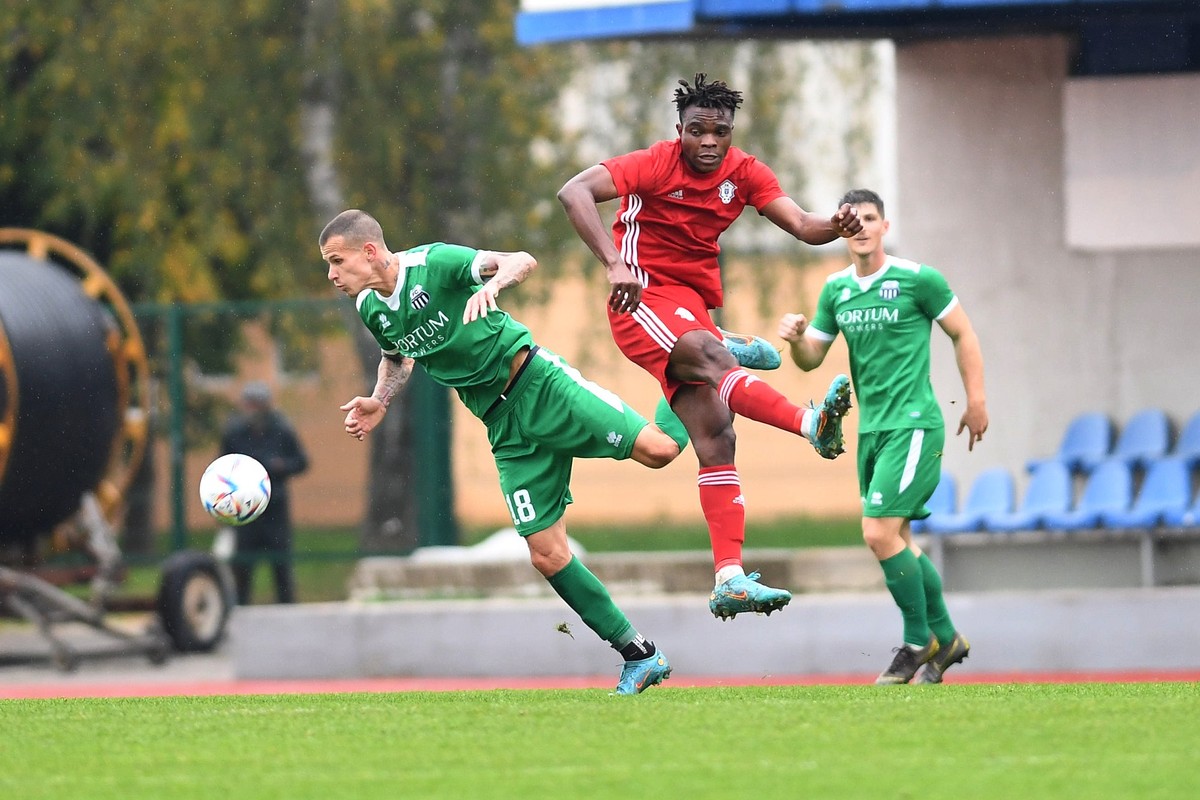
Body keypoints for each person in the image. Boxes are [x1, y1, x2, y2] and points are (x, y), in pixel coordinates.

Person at [319, 209, 684, 695]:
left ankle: (699, 357)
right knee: (547, 555)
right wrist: (379, 400)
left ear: (369, 251)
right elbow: (396, 357)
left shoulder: (436, 263)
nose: (332, 275)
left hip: (540, 385)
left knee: (659, 452)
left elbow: (520, 260)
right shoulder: (370, 306)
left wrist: (493, 285)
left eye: (337, 261)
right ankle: (640, 655)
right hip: (504, 427)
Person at [557, 72, 862, 621]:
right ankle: (808, 424)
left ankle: (729, 577)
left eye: (718, 131)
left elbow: (801, 225)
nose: (708, 142)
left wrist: (834, 226)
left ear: (730, 132)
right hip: (643, 300)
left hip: (690, 307)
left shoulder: (744, 173)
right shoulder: (652, 162)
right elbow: (573, 191)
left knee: (717, 436)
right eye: (696, 130)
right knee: (714, 358)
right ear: (679, 130)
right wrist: (615, 262)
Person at [777, 188, 989, 685]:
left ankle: (918, 641)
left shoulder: (919, 280)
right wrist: (796, 339)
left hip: (914, 425)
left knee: (876, 533)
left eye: (871, 218)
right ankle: (947, 637)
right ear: (842, 228)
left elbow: (963, 332)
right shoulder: (836, 291)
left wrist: (976, 400)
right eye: (853, 219)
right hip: (870, 431)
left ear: (884, 226)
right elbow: (813, 357)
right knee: (899, 541)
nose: (863, 227)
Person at [219, 381, 310, 605]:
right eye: (249, 404)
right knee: (242, 565)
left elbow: (301, 462)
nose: (252, 409)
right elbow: (222, 466)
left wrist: (281, 466)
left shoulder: (282, 430)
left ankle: (287, 607)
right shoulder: (235, 433)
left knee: (281, 563)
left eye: (257, 404)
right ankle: (239, 608)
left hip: (275, 507)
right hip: (244, 508)